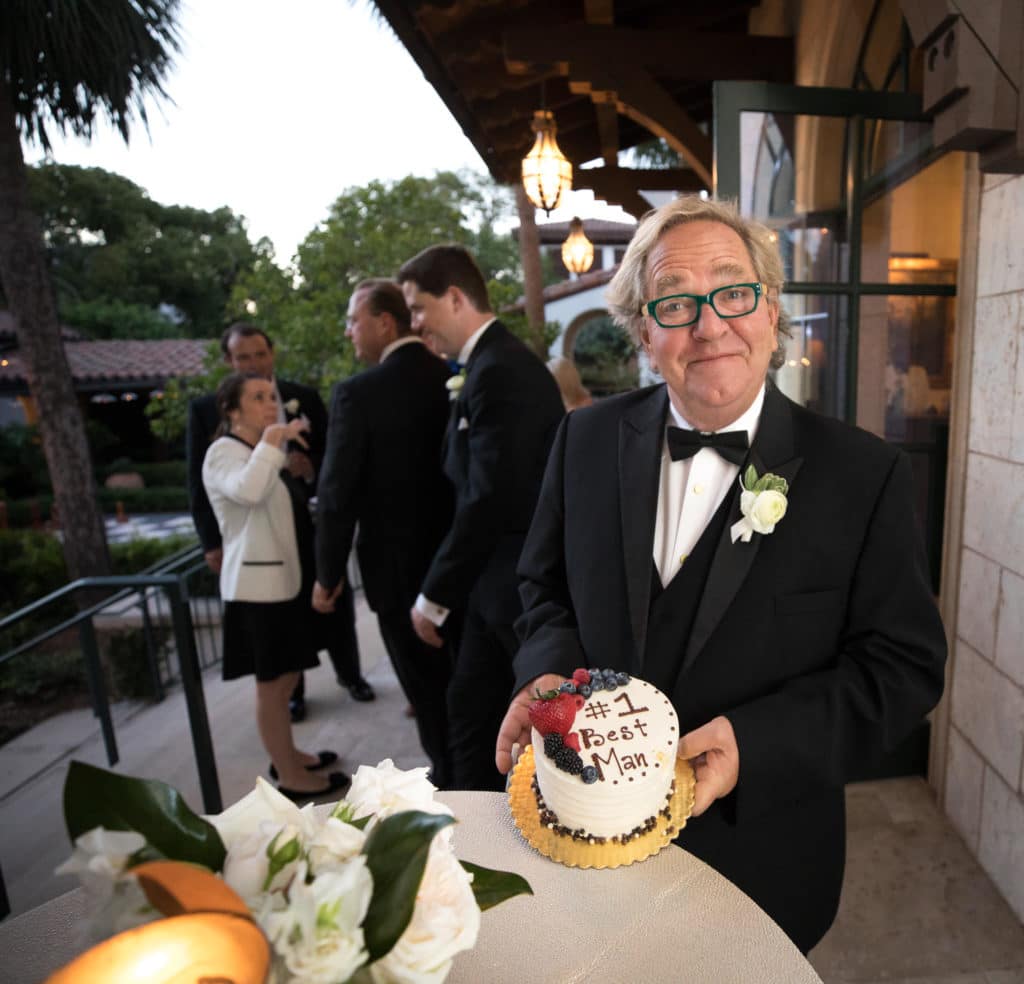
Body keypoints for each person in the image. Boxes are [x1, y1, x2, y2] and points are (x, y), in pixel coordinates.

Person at [495, 196, 947, 953]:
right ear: (644, 333)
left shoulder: (864, 474)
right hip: (585, 843)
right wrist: (546, 674)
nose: (709, 326)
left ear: (770, 310)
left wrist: (757, 745)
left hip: (764, 860)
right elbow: (543, 591)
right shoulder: (583, 439)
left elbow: (903, 669)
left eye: (733, 292)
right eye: (675, 303)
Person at [399, 245, 565, 791]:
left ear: (454, 297)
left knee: (525, 734)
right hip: (491, 589)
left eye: (418, 308)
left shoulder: (502, 370)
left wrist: (434, 594)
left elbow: (491, 496)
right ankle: (472, 823)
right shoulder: (485, 366)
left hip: (516, 587)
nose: (415, 324)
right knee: (472, 719)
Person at [185, 322, 374, 721]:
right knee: (283, 626)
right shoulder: (207, 412)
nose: (254, 363)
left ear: (272, 354)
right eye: (243, 357)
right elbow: (203, 485)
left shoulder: (302, 396)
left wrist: (309, 469)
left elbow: (336, 456)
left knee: (331, 603)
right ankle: (295, 695)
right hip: (261, 537)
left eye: (260, 354)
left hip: (310, 522)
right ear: (229, 361)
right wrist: (211, 542)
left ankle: (351, 674)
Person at [312, 279, 455, 787]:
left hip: (397, 574)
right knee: (464, 686)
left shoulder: (357, 393)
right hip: (462, 564)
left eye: (354, 320)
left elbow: (336, 493)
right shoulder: (453, 376)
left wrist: (327, 573)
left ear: (385, 323)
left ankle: (451, 784)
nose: (349, 331)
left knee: (426, 693)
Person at [202, 372, 349, 801]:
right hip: (257, 589)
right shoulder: (223, 452)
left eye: (271, 395)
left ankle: (290, 755)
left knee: (287, 678)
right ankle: (289, 775)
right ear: (232, 410)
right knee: (272, 686)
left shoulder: (260, 451)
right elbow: (247, 492)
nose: (270, 403)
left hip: (284, 582)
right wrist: (272, 442)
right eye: (257, 397)